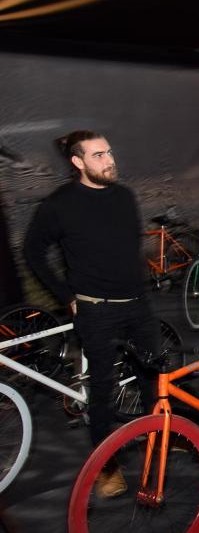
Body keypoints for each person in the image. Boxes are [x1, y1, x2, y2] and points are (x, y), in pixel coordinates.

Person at [24, 130, 159, 498]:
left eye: (110, 152)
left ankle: (158, 440)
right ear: (78, 162)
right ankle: (107, 466)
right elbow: (34, 250)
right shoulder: (58, 204)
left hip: (137, 305)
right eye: (98, 155)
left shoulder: (124, 196)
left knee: (153, 376)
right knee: (103, 390)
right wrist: (65, 295)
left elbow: (127, 246)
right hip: (95, 311)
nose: (109, 160)